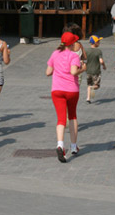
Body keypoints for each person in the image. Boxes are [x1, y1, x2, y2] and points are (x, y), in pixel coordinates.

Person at [46, 32, 87, 163]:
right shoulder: (74, 55)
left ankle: (59, 144)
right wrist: (83, 69)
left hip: (57, 90)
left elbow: (48, 72)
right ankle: (73, 146)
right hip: (71, 90)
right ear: (72, 43)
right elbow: (74, 71)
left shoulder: (54, 54)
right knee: (73, 116)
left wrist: (56, 69)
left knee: (61, 119)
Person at [85, 35, 106, 104]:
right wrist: (104, 66)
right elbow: (101, 61)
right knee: (96, 85)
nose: (99, 42)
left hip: (88, 71)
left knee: (89, 84)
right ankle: (92, 89)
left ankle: (88, 98)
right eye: (98, 41)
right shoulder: (98, 51)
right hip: (96, 71)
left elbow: (83, 60)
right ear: (95, 42)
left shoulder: (86, 51)